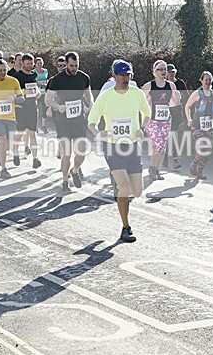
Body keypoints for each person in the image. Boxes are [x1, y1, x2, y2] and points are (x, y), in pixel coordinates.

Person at [87, 60, 150, 242]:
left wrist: (143, 128)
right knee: (124, 187)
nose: (126, 78)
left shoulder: (137, 94)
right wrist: (98, 133)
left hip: (132, 146)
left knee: (137, 191)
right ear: (114, 76)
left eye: (128, 74)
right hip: (112, 146)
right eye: (122, 74)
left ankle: (116, 178)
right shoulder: (105, 97)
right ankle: (126, 227)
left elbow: (147, 113)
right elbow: (91, 121)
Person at [45, 52, 94, 192]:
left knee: (82, 149)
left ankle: (75, 170)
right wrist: (57, 107)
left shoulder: (84, 77)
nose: (74, 68)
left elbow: (88, 94)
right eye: (71, 66)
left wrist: (89, 105)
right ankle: (65, 181)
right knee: (66, 153)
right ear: (66, 64)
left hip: (78, 118)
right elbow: (48, 100)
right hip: (63, 120)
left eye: (76, 65)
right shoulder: (57, 79)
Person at [185, 71, 213, 180]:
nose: (207, 82)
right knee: (203, 146)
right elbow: (187, 106)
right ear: (201, 80)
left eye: (209, 80)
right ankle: (194, 165)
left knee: (207, 150)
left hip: (209, 125)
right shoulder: (197, 94)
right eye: (206, 80)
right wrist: (189, 119)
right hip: (197, 124)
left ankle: (199, 170)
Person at [141, 60, 179, 180]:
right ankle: (152, 168)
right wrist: (148, 104)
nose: (163, 72)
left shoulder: (171, 85)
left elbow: (173, 104)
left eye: (165, 69)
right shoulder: (149, 86)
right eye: (160, 69)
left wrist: (177, 97)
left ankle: (156, 170)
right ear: (154, 72)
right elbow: (141, 103)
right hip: (152, 120)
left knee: (162, 147)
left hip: (166, 120)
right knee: (159, 144)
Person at [13, 53, 42, 169]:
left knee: (32, 134)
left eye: (31, 63)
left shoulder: (34, 75)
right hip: (21, 108)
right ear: (22, 63)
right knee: (19, 133)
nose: (30, 66)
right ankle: (15, 152)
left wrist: (38, 93)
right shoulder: (17, 76)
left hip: (32, 108)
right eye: (28, 63)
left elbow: (36, 88)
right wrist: (25, 92)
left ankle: (35, 159)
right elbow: (14, 91)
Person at [165, 64, 188, 170]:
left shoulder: (180, 83)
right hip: (165, 113)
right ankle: (167, 157)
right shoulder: (162, 84)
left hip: (177, 112)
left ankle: (173, 159)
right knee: (167, 134)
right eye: (170, 72)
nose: (171, 74)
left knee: (173, 134)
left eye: (173, 71)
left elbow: (187, 97)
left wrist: (179, 97)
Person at [34, 56, 50, 133]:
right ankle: (35, 126)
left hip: (44, 92)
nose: (40, 64)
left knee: (44, 109)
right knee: (36, 110)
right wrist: (37, 83)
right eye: (38, 63)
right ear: (35, 64)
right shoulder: (33, 72)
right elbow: (32, 82)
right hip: (36, 93)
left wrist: (46, 83)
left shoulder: (46, 71)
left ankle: (43, 126)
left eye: (41, 63)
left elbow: (46, 80)